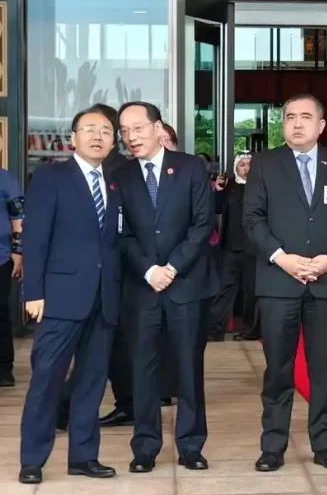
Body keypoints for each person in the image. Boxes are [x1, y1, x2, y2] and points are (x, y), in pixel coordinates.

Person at [243, 94, 327, 473]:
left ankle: (325, 444)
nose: (296, 123)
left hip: (326, 283)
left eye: (305, 117)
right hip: (278, 282)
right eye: (290, 117)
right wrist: (283, 258)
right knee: (278, 370)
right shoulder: (265, 164)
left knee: (324, 369)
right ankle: (272, 446)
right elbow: (252, 220)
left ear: (321, 125)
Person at [18, 106, 122, 484]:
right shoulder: (51, 177)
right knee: (47, 380)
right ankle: (32, 459)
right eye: (89, 129)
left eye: (106, 131)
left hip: (103, 299)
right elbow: (35, 238)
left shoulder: (115, 183)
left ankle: (83, 456)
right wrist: (33, 291)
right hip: (60, 298)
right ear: (73, 137)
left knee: (91, 383)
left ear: (113, 141)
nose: (98, 136)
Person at [116, 101, 217, 473]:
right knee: (143, 370)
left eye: (138, 128)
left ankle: (191, 446)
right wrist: (149, 271)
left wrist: (171, 268)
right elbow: (122, 234)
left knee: (188, 368)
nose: (131, 137)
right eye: (124, 131)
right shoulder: (121, 175)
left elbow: (202, 224)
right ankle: (145, 448)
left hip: (185, 286)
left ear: (158, 128)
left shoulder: (190, 167)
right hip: (142, 289)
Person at [209, 152, 258, 341]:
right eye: (242, 165)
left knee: (251, 292)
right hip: (230, 247)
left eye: (249, 164)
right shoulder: (228, 186)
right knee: (223, 289)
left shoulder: (260, 186)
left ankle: (251, 330)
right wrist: (218, 190)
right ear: (236, 167)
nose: (246, 168)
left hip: (253, 248)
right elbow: (216, 209)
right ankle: (214, 330)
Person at [0, 165, 24, 388]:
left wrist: (18, 250)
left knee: (0, 311)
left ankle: (3, 368)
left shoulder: (5, 179)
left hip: (1, 257)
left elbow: (19, 216)